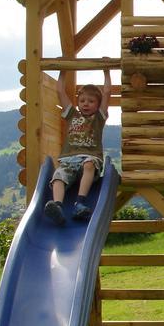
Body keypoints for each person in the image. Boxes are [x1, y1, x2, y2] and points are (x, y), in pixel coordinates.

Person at [43, 69, 111, 225]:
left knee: (89, 164)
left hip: (89, 158)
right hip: (68, 160)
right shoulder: (72, 115)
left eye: (91, 101)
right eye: (82, 101)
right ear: (78, 102)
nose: (86, 104)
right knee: (58, 176)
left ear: (98, 105)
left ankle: (79, 203)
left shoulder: (98, 118)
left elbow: (107, 92)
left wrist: (106, 71)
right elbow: (60, 91)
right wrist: (62, 70)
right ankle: (58, 206)